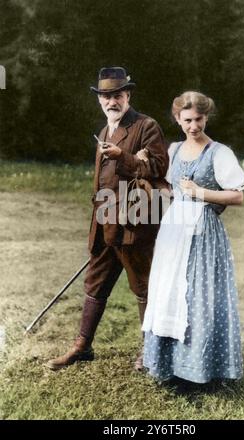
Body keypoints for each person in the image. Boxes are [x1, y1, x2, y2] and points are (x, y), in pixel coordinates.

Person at [46, 67, 169, 371]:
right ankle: (82, 346)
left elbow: (159, 168)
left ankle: (150, 351)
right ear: (99, 99)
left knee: (143, 286)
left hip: (134, 221)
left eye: (117, 95)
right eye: (105, 96)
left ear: (128, 95)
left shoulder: (146, 126)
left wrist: (124, 158)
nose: (111, 101)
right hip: (104, 222)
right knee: (95, 283)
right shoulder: (104, 131)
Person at [142, 91, 244, 384]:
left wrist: (200, 193)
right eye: (187, 120)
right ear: (177, 119)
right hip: (174, 230)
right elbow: (171, 189)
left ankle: (200, 369)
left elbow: (237, 196)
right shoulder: (173, 149)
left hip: (203, 233)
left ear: (206, 117)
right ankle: (169, 366)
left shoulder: (219, 152)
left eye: (198, 119)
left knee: (197, 295)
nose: (193, 126)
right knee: (169, 292)